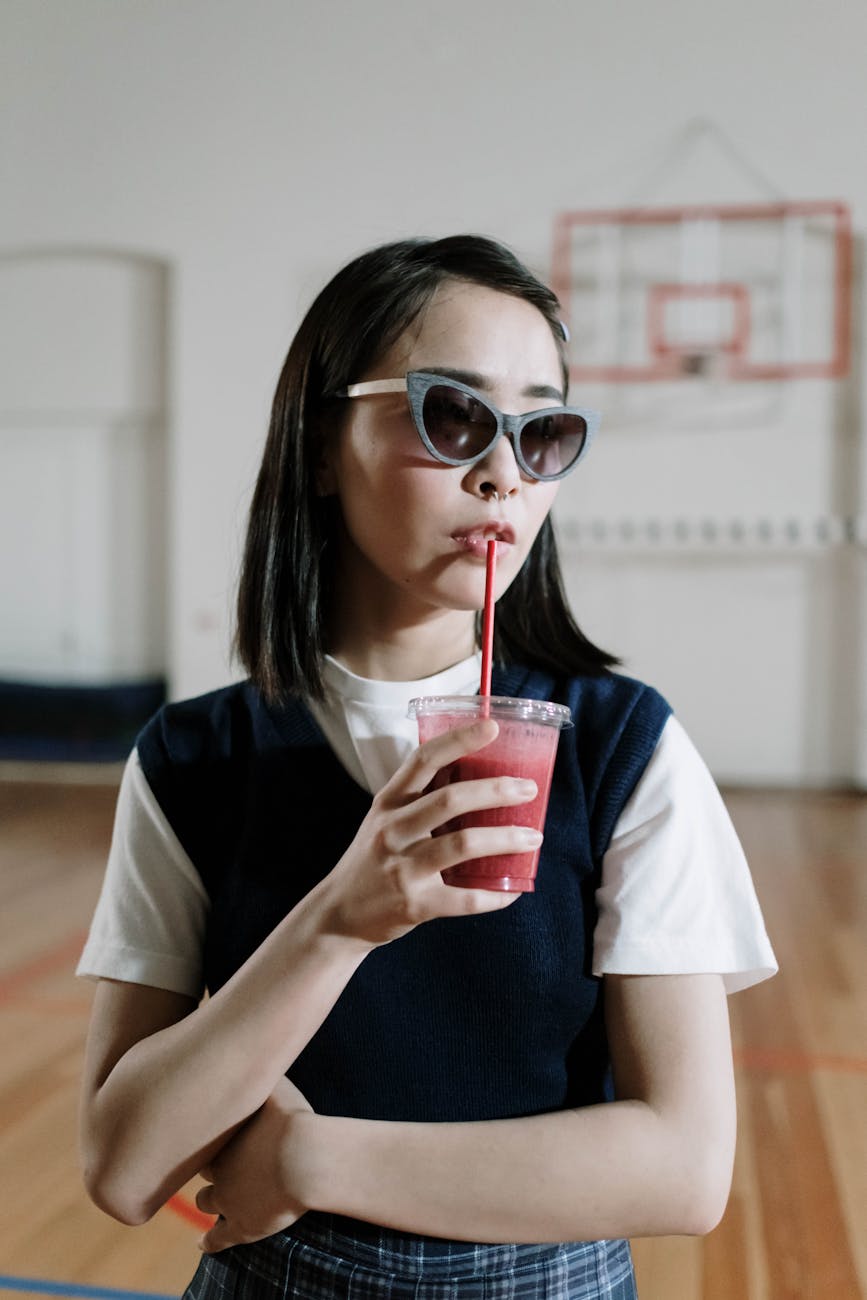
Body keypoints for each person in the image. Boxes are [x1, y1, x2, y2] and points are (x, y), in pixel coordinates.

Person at [77, 235, 777, 1299]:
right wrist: (342, 918)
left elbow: (685, 1172)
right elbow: (124, 1167)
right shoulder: (194, 760)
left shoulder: (625, 748)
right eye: (452, 415)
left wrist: (315, 1158)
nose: (502, 469)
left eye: (540, 430)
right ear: (322, 443)